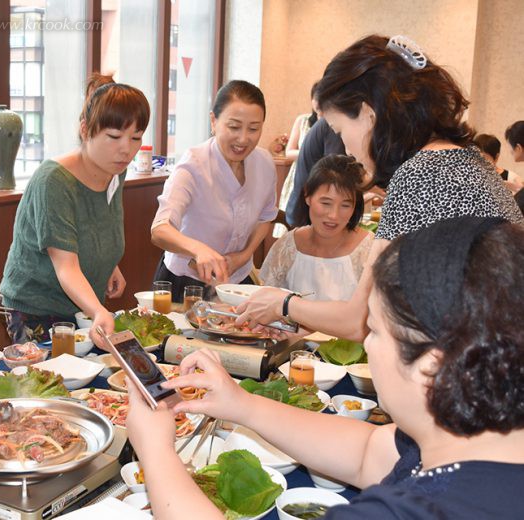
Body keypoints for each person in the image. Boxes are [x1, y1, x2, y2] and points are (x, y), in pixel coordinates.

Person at [128, 216, 524, 519]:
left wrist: (155, 451)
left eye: (376, 331)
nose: (365, 342)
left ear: (433, 369)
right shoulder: (467, 441)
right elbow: (368, 451)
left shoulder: (410, 511)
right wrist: (240, 405)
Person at [236, 35, 523, 341]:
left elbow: (358, 320)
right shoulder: (467, 159)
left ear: (367, 113)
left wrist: (283, 303)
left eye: (340, 130)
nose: (346, 148)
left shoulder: (419, 175)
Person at [0, 74, 149, 348]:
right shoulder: (55, 180)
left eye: (136, 137)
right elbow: (65, 266)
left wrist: (108, 262)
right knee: (54, 381)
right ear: (85, 129)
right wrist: (98, 311)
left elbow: (96, 222)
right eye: (114, 136)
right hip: (37, 307)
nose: (126, 149)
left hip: (82, 303)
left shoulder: (116, 170)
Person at [150, 80, 277, 299]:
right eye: (234, 127)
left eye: (254, 129)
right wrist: (199, 250)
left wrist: (244, 255)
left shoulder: (264, 162)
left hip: (237, 280)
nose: (243, 138)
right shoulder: (193, 165)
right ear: (214, 121)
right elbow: (160, 230)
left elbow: (266, 217)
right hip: (186, 283)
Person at [260, 155, 372, 301]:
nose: (334, 215)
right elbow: (267, 300)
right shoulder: (289, 245)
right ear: (308, 196)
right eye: (326, 203)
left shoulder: (369, 250)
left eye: (345, 205)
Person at [284, 112, 346, 228]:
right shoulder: (334, 124)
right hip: (309, 211)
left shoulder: (331, 122)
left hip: (310, 206)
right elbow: (336, 172)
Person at [275, 82, 319, 236]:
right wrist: (310, 152)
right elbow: (289, 152)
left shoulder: (333, 123)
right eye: (316, 97)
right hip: (300, 173)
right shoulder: (303, 120)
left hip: (319, 177)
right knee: (292, 224)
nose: (318, 102)